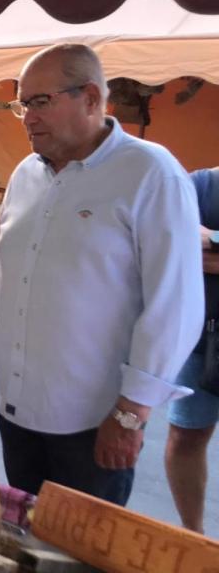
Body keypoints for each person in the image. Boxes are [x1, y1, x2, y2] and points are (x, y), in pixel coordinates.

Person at [0, 44, 202, 505]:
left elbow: (175, 307)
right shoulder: (26, 173)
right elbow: (1, 267)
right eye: (23, 103)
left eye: (40, 101)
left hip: (93, 425)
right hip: (16, 412)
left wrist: (130, 414)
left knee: (83, 554)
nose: (27, 117)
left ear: (89, 97)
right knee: (27, 541)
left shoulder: (150, 174)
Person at [165, 166, 219, 533]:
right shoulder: (202, 184)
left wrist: (211, 237)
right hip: (202, 337)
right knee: (186, 435)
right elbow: (176, 246)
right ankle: (193, 535)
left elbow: (199, 245)